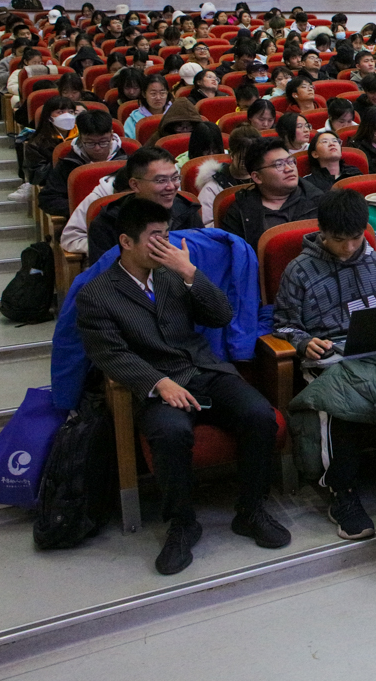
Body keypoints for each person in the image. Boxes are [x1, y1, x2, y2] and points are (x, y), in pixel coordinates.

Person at [77, 197, 288, 575]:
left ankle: (251, 509)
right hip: (156, 381)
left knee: (260, 415)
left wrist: (191, 273)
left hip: (204, 369)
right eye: (155, 237)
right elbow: (109, 354)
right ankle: (182, 523)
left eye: (167, 234)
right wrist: (158, 382)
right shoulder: (97, 294)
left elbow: (222, 315)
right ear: (126, 242)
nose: (165, 244)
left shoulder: (173, 272)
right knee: (171, 432)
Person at [271, 190, 376, 540]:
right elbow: (284, 325)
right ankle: (342, 491)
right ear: (323, 233)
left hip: (374, 353)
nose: (349, 248)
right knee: (339, 403)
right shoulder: (300, 271)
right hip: (326, 358)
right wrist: (304, 342)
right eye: (339, 240)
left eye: (355, 238)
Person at [84, 147, 204, 265]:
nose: (171, 187)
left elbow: (204, 259)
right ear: (135, 185)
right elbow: (102, 272)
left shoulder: (186, 211)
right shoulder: (108, 222)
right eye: (161, 180)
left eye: (175, 178)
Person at [219, 138, 322, 250]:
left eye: (290, 161)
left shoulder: (318, 200)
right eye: (279, 164)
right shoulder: (240, 211)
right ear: (257, 177)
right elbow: (236, 254)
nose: (289, 168)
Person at [38, 109, 121, 218]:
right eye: (90, 143)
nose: (97, 148)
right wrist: (84, 209)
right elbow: (48, 199)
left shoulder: (125, 159)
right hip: (80, 218)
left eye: (103, 142)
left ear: (111, 135)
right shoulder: (69, 163)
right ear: (80, 138)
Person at [196, 126, 260, 225]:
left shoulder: (265, 179)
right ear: (232, 154)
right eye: (243, 159)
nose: (248, 164)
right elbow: (206, 225)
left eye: (253, 158)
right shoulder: (213, 187)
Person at [300, 129, 363, 197]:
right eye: (325, 141)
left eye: (335, 141)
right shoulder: (308, 182)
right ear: (315, 154)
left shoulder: (354, 173)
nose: (332, 144)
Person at [124, 74, 171, 139]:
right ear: (144, 94)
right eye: (153, 94)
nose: (158, 98)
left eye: (162, 93)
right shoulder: (133, 120)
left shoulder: (175, 114)